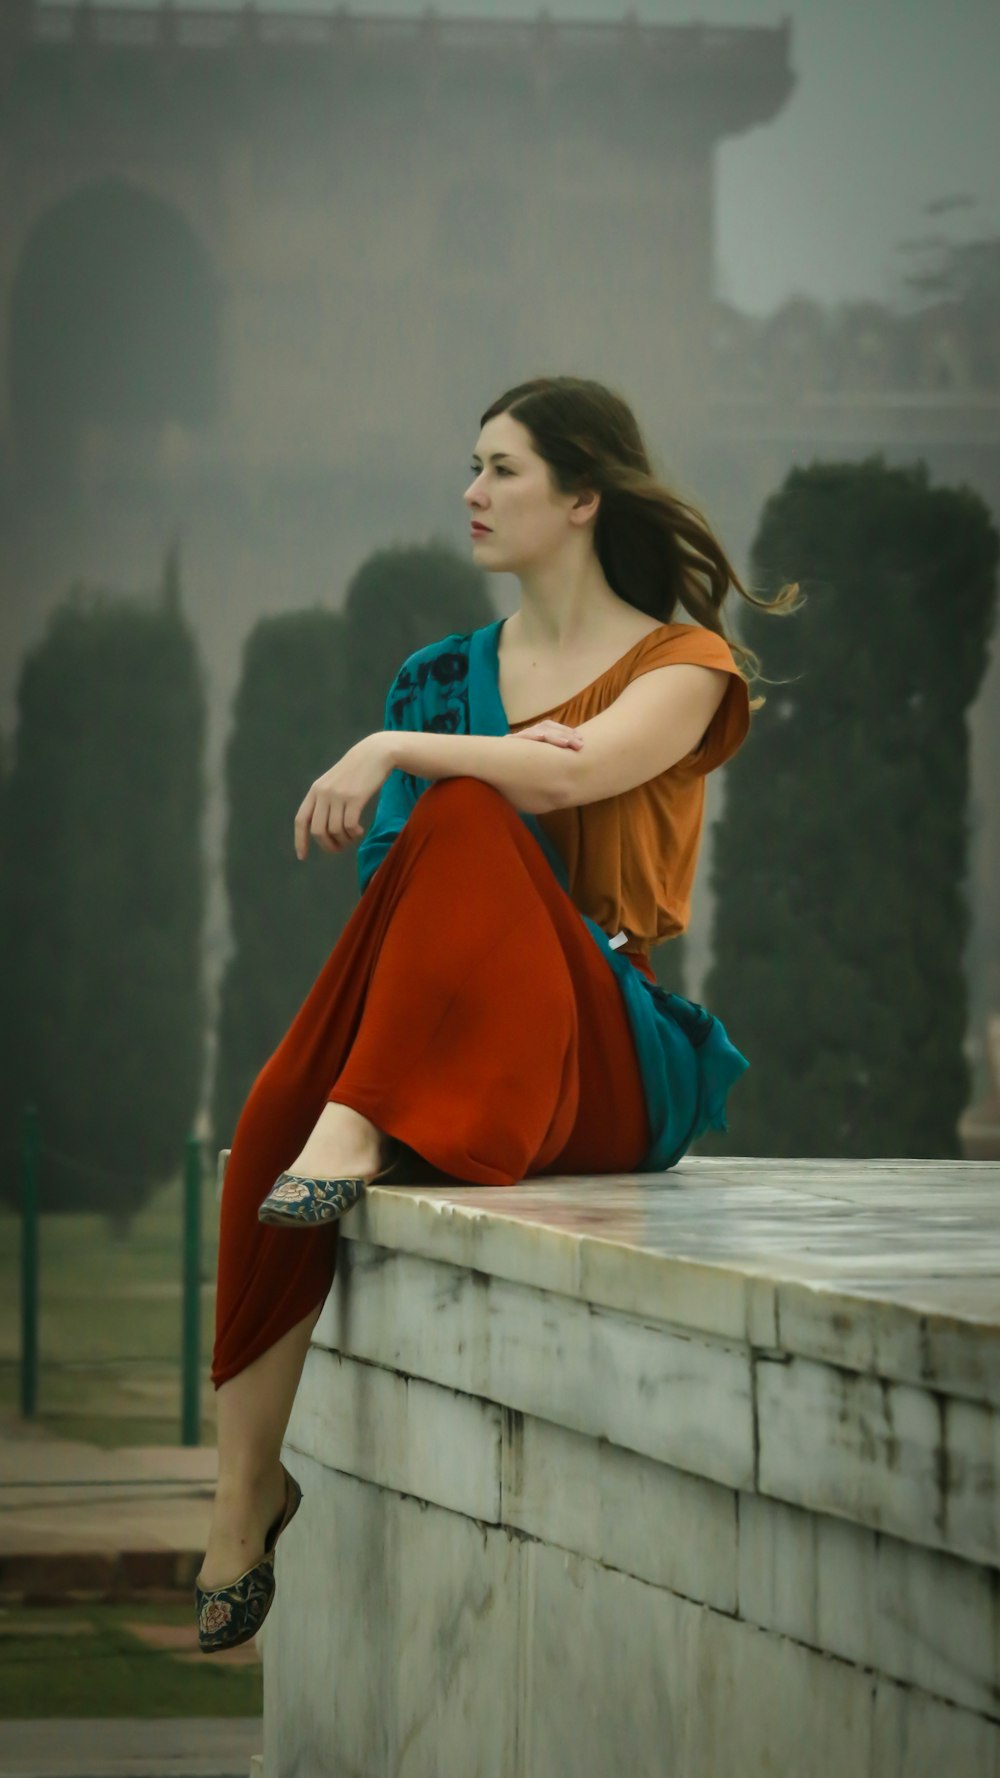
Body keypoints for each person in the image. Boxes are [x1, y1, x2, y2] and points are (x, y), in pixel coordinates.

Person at [194, 375, 801, 1652]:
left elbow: (570, 767)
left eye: (502, 469)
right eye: (470, 465)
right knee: (264, 1128)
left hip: (601, 1051)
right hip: (449, 1029)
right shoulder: (439, 677)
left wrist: (395, 749)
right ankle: (245, 1498)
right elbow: (404, 900)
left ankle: (359, 1126)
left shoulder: (683, 666)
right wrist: (407, 739)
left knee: (472, 806)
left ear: (583, 497)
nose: (470, 494)